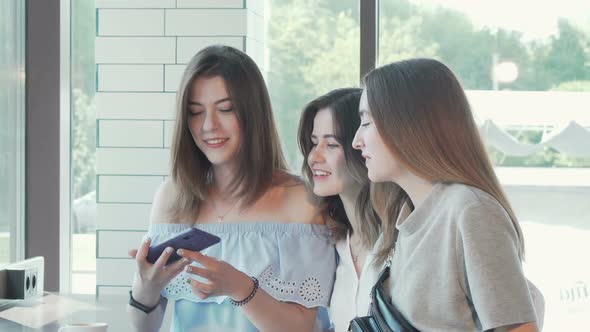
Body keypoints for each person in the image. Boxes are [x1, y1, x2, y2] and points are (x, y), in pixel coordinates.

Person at [127, 45, 336, 332]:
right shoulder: (171, 198)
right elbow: (144, 327)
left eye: (225, 109)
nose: (208, 126)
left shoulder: (300, 201)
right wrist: (147, 289)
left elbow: (302, 327)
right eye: (195, 112)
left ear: (253, 114)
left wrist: (240, 288)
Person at [352, 58, 544, 331]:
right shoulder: (404, 219)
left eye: (366, 122)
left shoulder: (470, 210)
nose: (356, 141)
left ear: (407, 124)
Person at [297, 88, 393, 332]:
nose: (313, 157)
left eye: (331, 144)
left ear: (361, 146)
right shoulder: (332, 245)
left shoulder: (403, 240)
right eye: (313, 143)